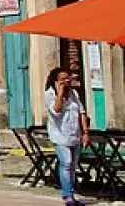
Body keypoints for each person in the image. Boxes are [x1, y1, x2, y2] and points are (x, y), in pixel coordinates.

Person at [45, 67, 90, 205]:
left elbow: (81, 112)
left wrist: (85, 133)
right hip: (59, 135)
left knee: (73, 165)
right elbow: (57, 110)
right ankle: (67, 195)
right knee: (66, 163)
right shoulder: (50, 94)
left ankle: (71, 193)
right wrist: (60, 93)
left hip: (74, 135)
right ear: (56, 81)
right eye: (62, 79)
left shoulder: (74, 94)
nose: (66, 81)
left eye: (67, 78)